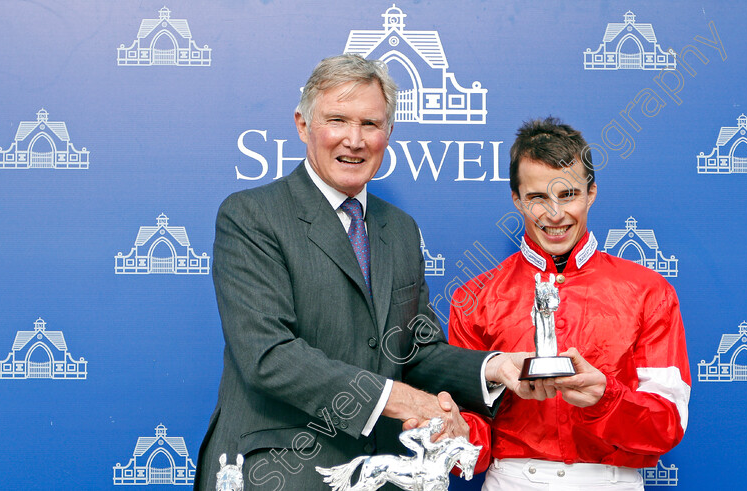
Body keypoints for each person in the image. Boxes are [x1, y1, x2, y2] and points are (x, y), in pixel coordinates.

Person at [194, 54, 529, 490]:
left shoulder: (401, 229)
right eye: (337, 120)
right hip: (280, 471)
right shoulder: (251, 216)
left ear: (388, 134)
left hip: (381, 474)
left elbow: (414, 350)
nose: (354, 140)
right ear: (302, 125)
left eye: (370, 124)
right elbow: (269, 356)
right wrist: (400, 398)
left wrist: (496, 367)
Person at [450, 117, 691, 490]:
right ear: (516, 199)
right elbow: (473, 448)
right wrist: (450, 431)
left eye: (568, 195)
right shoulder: (473, 298)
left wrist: (605, 397)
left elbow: (667, 426)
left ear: (591, 192)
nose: (555, 214)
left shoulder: (649, 291)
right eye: (537, 198)